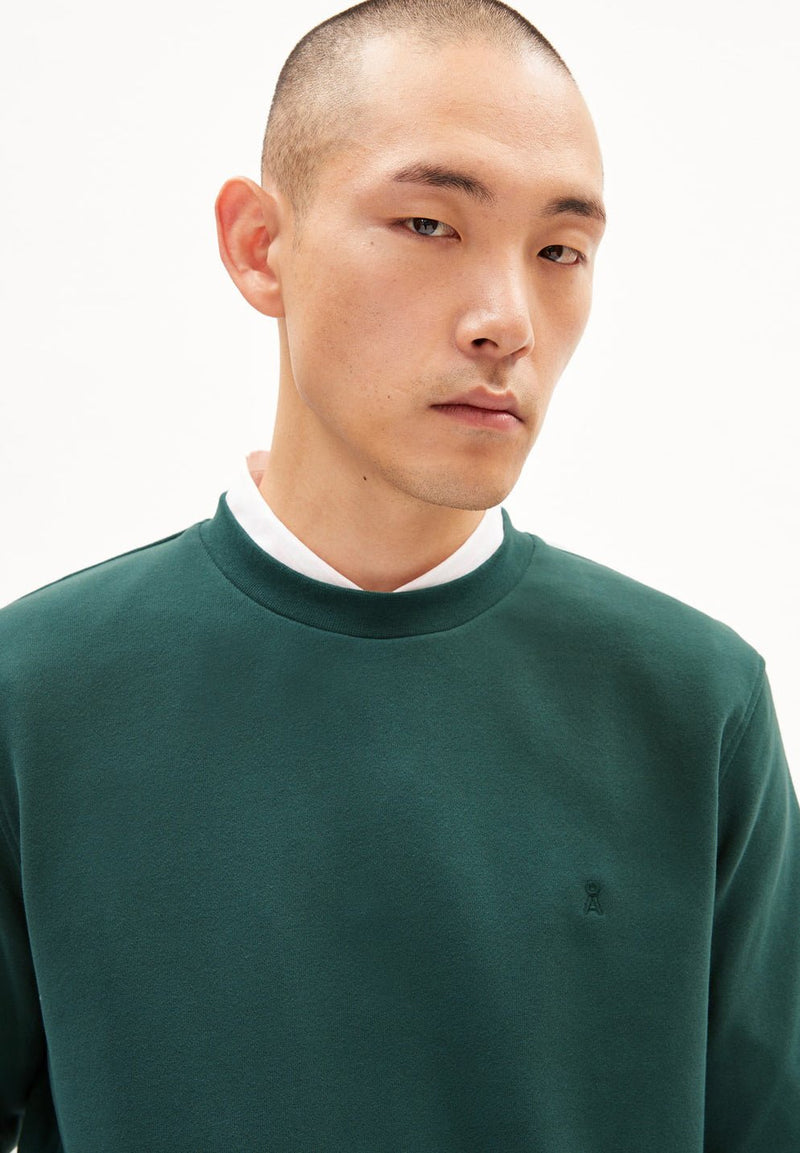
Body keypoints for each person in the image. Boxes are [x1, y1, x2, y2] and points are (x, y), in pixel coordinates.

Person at [1, 0, 798, 1149]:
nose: (505, 321)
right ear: (259, 246)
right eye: (429, 223)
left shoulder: (694, 702)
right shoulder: (35, 697)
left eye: (558, 251)